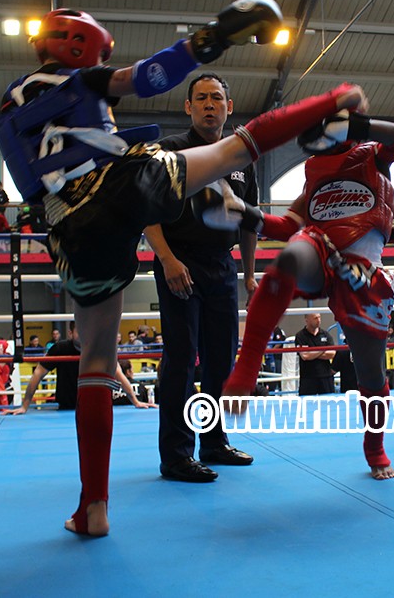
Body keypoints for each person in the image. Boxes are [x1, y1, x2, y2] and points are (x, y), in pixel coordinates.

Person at [0, 0, 368, 535]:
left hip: (70, 233)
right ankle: (335, 99)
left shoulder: (11, 103)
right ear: (85, 47)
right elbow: (150, 76)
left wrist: (244, 272)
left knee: (97, 363)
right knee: (235, 152)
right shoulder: (89, 80)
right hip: (120, 190)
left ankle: (93, 507)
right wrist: (212, 38)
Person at [217, 105, 394, 481]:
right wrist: (244, 213)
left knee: (371, 375)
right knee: (290, 255)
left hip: (361, 273)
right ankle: (247, 367)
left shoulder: (374, 156)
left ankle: (374, 444)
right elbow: (288, 225)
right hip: (321, 253)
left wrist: (360, 125)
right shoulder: (314, 172)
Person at [144, 73, 258, 483]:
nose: (210, 104)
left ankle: (213, 442)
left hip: (222, 265)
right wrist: (168, 259)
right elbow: (149, 211)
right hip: (180, 263)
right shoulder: (170, 152)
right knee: (180, 359)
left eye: (217, 98)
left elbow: (249, 222)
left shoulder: (243, 156)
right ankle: (175, 455)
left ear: (229, 105)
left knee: (220, 359)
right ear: (188, 107)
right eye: (201, 98)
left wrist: (248, 274)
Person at [4, 324, 152, 413]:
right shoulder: (60, 348)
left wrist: (136, 401)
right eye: (79, 331)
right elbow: (37, 374)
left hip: (95, 406)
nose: (84, 335)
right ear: (70, 333)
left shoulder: (99, 348)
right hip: (67, 405)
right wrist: (25, 405)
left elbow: (119, 374)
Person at [293, 313, 336, 395]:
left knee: (328, 404)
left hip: (325, 377)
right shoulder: (300, 336)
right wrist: (323, 349)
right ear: (307, 320)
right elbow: (305, 356)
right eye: (315, 318)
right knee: (306, 405)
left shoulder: (325, 334)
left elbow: (332, 354)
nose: (319, 320)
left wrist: (313, 353)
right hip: (308, 378)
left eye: (319, 317)